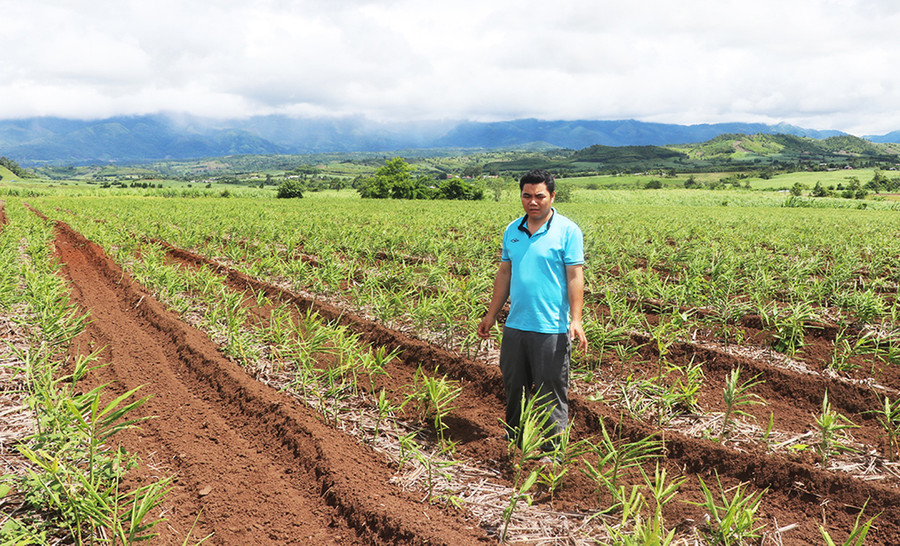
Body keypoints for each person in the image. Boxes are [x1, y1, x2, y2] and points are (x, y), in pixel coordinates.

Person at [477, 168, 587, 445]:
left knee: (551, 391)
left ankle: (553, 451)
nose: (533, 202)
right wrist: (491, 315)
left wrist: (576, 320)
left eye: (540, 196)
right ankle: (515, 441)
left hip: (551, 327)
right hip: (515, 325)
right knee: (514, 387)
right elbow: (505, 273)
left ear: (552, 196)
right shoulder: (512, 230)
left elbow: (575, 276)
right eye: (527, 196)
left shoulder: (568, 231)